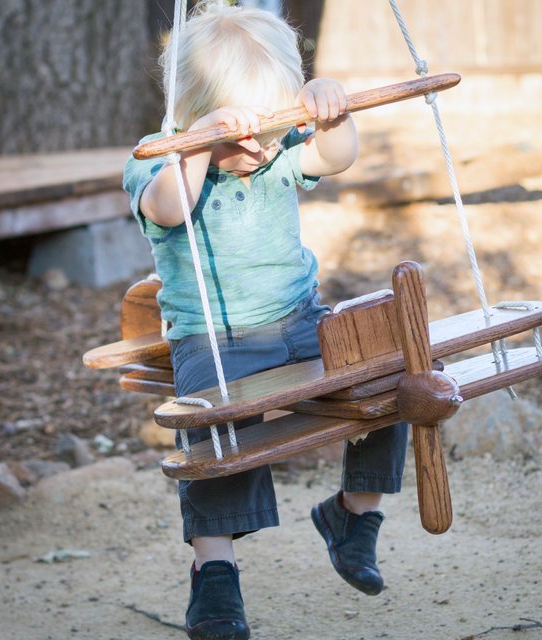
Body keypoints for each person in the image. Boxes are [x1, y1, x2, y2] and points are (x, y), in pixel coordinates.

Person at [123, 2, 408, 639]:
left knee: (389, 369)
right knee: (215, 424)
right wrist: (197, 143)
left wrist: (330, 109)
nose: (255, 147)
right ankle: (215, 571)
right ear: (191, 115)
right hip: (213, 338)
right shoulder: (158, 158)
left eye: (270, 127)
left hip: (299, 318)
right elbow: (169, 209)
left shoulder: (278, 153)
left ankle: (353, 513)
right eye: (237, 134)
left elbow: (334, 159)